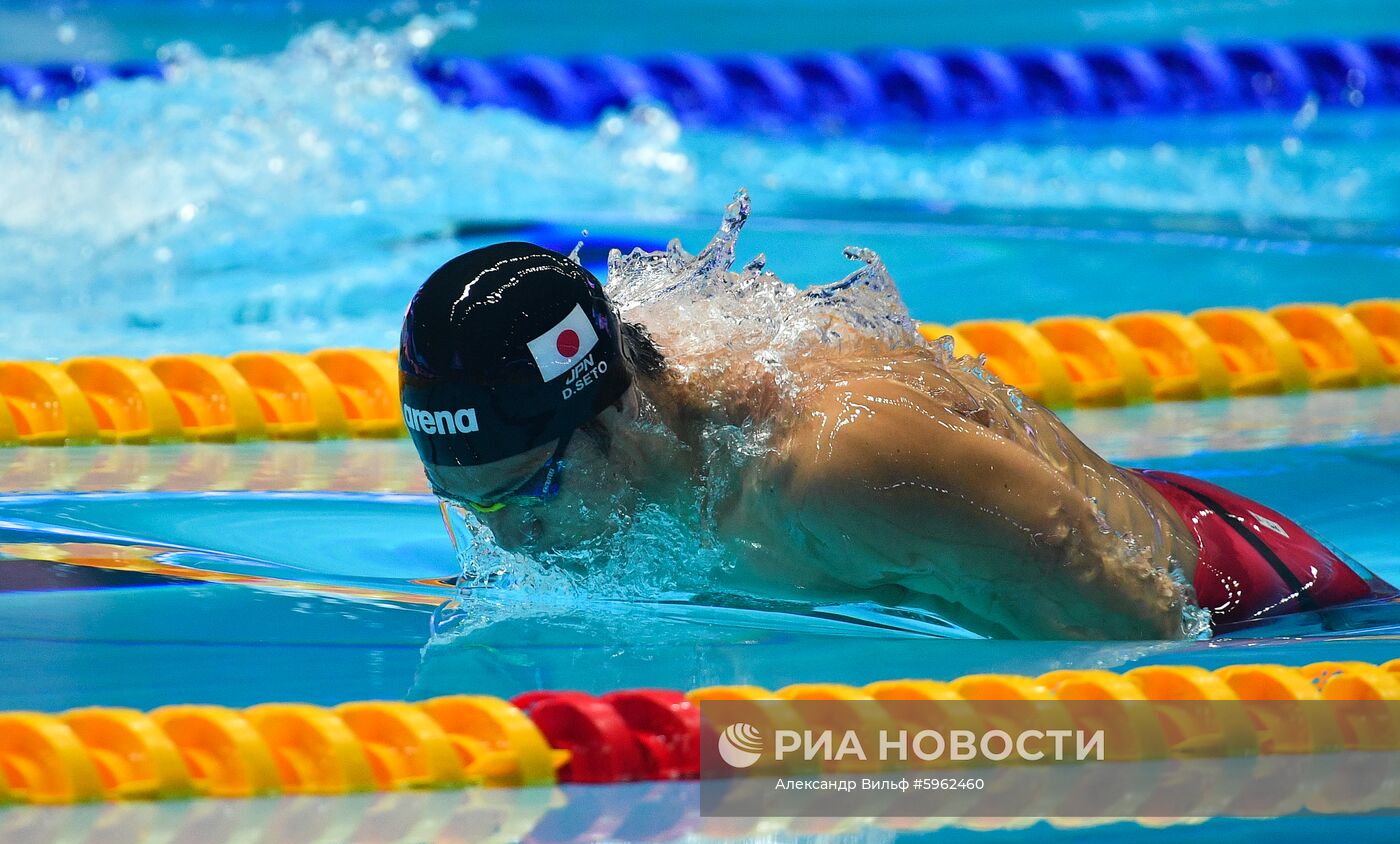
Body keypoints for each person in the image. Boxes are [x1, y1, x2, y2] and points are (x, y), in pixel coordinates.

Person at [399, 242, 1390, 640]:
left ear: (613, 415)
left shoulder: (831, 467)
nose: (509, 537)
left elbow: (1115, 611)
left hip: (1249, 591)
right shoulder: (635, 379)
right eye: (471, 503)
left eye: (524, 494)